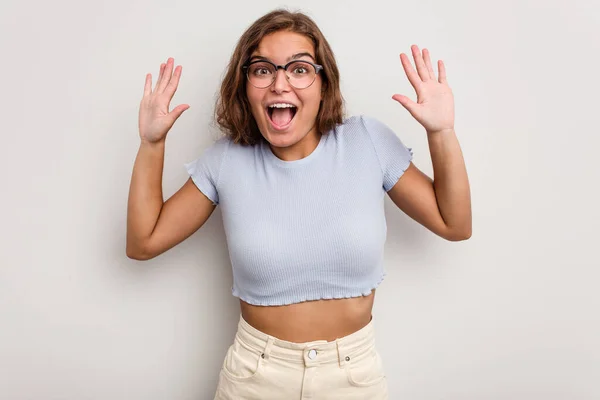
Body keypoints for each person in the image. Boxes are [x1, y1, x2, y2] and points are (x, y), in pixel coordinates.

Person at [127, 8, 471, 400]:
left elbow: (454, 224)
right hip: (255, 379)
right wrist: (151, 144)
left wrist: (442, 132)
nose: (279, 84)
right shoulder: (226, 160)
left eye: (299, 69)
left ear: (324, 83)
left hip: (353, 376)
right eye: (262, 69)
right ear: (245, 85)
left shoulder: (367, 142)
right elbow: (143, 242)